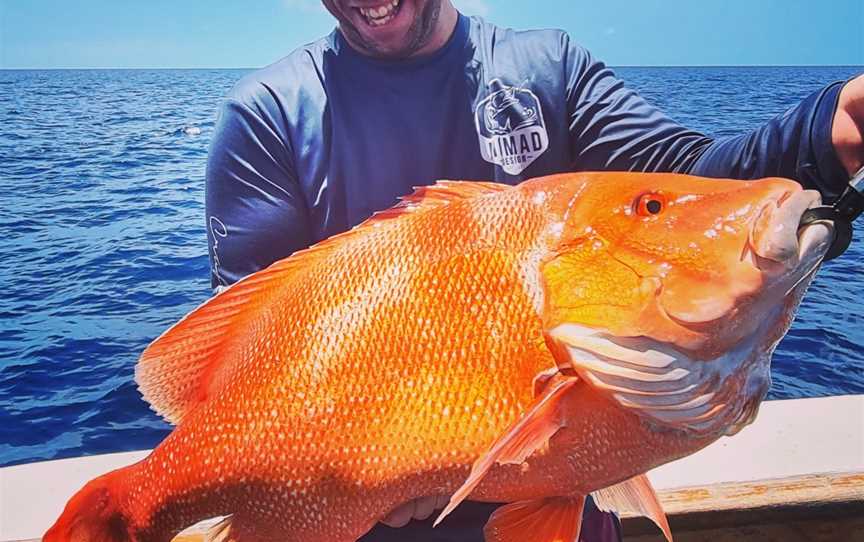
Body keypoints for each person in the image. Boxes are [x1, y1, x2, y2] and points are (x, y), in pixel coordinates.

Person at [204, 1, 864, 540]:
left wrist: (829, 132)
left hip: (565, 511)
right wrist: (348, 455)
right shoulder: (267, 112)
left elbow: (689, 193)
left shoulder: (547, 69)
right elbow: (247, 357)